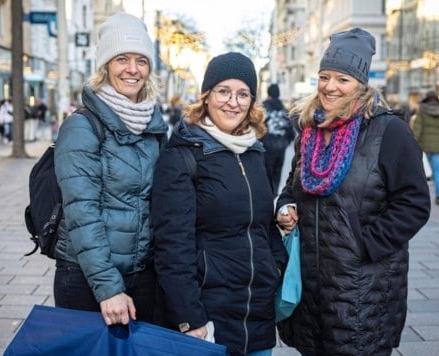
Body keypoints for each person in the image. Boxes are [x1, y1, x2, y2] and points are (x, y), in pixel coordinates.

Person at [274, 28, 431, 355]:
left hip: (363, 288)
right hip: (312, 287)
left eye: (342, 79)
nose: (330, 87)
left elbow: (414, 203)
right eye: (324, 76)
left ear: (361, 84)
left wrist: (365, 243)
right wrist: (285, 206)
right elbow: (292, 186)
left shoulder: (389, 131)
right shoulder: (309, 131)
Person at [151, 52, 288, 355]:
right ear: (206, 96)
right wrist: (189, 317)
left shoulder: (254, 152)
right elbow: (172, 246)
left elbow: (264, 226)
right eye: (223, 91)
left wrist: (276, 267)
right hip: (209, 317)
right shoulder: (182, 156)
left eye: (243, 94)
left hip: (257, 315)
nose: (233, 102)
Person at [53, 12, 168, 327]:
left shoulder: (153, 127)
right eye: (121, 59)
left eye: (141, 60)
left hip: (141, 275)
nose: (132, 69)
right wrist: (108, 287)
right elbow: (82, 212)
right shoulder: (82, 127)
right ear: (104, 67)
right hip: (86, 278)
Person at [412, 89, 439, 205]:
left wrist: (414, 143)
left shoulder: (422, 111)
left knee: (424, 172)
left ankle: (423, 195)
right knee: (437, 170)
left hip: (424, 146)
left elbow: (417, 130)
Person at [261, 83, 295, 195]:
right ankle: (274, 194)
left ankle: (267, 195)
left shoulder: (263, 109)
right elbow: (291, 131)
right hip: (281, 147)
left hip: (266, 146)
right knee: (277, 173)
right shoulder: (284, 110)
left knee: (266, 173)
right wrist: (285, 142)